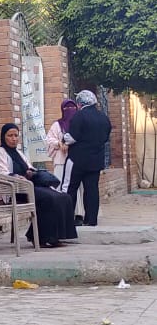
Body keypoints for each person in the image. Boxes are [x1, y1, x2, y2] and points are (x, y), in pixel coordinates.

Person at [0, 123, 77, 248]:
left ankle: (55, 236)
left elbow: (29, 167)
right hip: (14, 191)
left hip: (29, 187)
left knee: (63, 197)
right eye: (10, 135)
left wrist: (32, 172)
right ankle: (40, 238)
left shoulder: (18, 153)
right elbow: (2, 173)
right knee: (48, 198)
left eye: (16, 135)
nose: (14, 139)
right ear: (3, 137)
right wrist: (17, 177)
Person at [66, 90, 112, 227]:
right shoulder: (103, 117)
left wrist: (63, 138)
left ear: (80, 104)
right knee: (92, 190)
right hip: (96, 160)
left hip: (77, 160)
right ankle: (91, 220)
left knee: (71, 188)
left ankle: (67, 220)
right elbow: (106, 138)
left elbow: (72, 137)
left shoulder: (79, 116)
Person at [46, 99, 79, 185]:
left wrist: (69, 144)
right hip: (61, 159)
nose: (70, 110)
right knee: (60, 184)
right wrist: (59, 143)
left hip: (77, 161)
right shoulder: (57, 125)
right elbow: (49, 139)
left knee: (75, 186)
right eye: (67, 108)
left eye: (72, 107)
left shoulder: (79, 124)